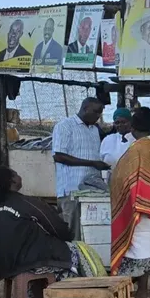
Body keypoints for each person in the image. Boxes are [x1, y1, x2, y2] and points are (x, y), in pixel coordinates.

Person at [0, 167, 78, 280]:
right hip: (38, 264)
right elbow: (57, 228)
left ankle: (31, 294)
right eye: (16, 174)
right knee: (77, 252)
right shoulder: (26, 203)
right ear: (11, 181)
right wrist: (67, 237)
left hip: (6, 270)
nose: (19, 176)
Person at [110, 107, 150, 298]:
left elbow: (124, 176)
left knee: (140, 249)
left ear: (133, 128)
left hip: (139, 205)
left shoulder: (138, 148)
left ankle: (143, 293)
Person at [52, 97, 110, 238]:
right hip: (71, 191)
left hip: (90, 192)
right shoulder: (65, 126)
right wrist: (92, 163)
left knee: (89, 234)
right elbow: (59, 156)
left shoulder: (94, 130)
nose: (98, 116)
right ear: (85, 109)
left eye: (100, 113)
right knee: (72, 233)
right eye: (96, 112)